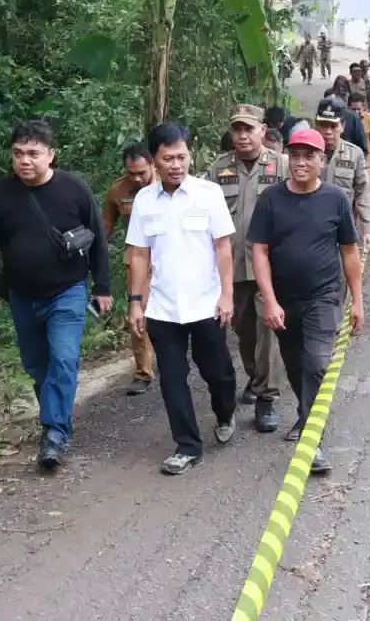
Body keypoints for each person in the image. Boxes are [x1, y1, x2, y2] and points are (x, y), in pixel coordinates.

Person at [0, 120, 112, 469]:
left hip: (67, 292)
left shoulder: (74, 189)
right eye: (18, 153)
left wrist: (103, 286)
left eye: (33, 153)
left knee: (63, 359)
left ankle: (54, 434)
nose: (25, 160)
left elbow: (98, 239)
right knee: (38, 366)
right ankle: (57, 418)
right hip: (21, 296)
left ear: (51, 155)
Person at [248, 127, 364, 475]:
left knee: (317, 362)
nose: (300, 162)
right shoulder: (271, 199)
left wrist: (357, 300)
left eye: (308, 156)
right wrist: (269, 300)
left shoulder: (336, 199)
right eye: (295, 155)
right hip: (284, 299)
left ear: (321, 160)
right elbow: (259, 251)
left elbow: (349, 250)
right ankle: (305, 414)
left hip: (324, 296)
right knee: (296, 365)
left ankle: (312, 443)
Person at [126, 123, 238, 476]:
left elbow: (223, 247)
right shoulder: (144, 201)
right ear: (154, 161)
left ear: (190, 155)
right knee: (172, 378)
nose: (176, 164)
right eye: (168, 158)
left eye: (181, 156)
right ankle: (187, 445)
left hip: (206, 304)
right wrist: (135, 302)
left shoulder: (208, 193)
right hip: (162, 307)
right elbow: (140, 255)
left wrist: (227, 295)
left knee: (217, 373)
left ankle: (225, 412)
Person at [205, 105, 287, 432]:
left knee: (269, 333)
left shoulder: (281, 166)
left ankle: (267, 397)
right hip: (233, 267)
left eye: (248, 129)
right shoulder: (218, 169)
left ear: (262, 131)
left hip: (271, 266)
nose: (242, 135)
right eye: (237, 129)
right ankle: (255, 376)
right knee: (244, 333)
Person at [102, 143, 160, 395]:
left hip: (173, 254)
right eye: (131, 173)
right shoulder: (118, 190)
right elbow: (105, 227)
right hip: (138, 257)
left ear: (152, 165)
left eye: (142, 173)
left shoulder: (169, 181)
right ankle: (143, 373)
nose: (136, 178)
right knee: (138, 312)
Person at [315, 98, 370, 255]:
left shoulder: (354, 154)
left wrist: (369, 230)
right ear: (316, 126)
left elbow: (364, 193)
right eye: (323, 125)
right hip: (311, 227)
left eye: (333, 126)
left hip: (343, 228)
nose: (328, 131)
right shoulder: (305, 154)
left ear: (342, 126)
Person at [349, 92, 370, 185]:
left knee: (366, 192)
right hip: (350, 163)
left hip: (367, 164)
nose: (356, 112)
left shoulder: (369, 119)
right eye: (353, 109)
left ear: (363, 107)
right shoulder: (344, 120)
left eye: (358, 109)